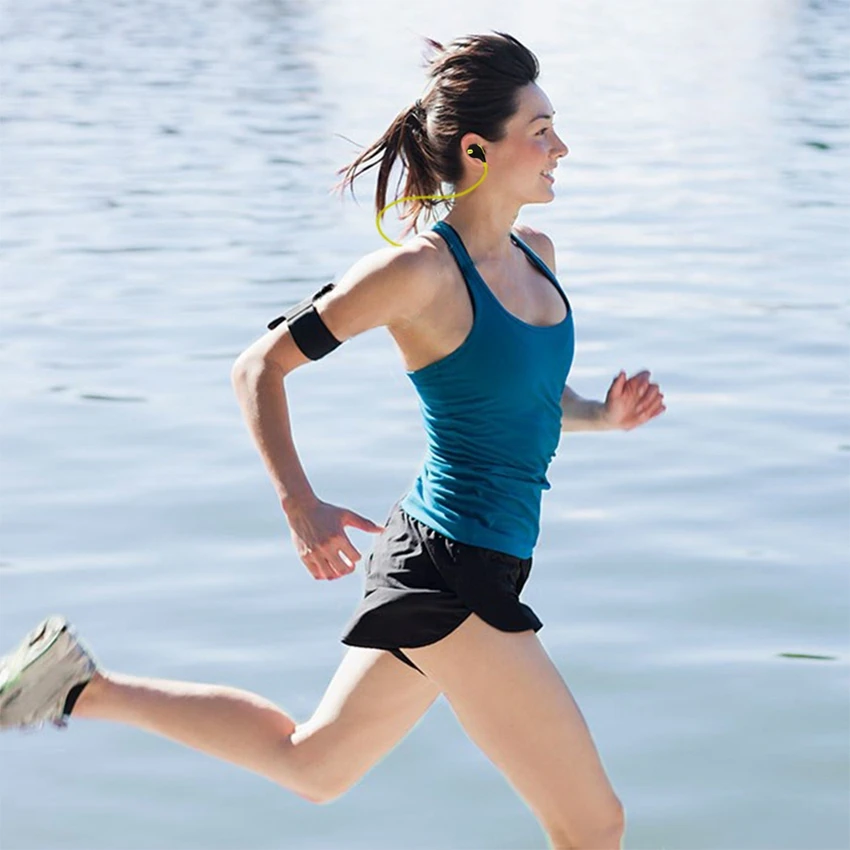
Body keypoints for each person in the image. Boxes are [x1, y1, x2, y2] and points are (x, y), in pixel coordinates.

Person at [0, 31, 665, 850]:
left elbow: (523, 400)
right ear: (476, 149)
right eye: (541, 130)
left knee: (313, 765)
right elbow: (259, 367)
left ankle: (76, 687)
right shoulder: (417, 274)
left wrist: (602, 414)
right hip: (452, 572)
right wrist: (300, 504)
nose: (561, 147)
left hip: (471, 556)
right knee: (594, 826)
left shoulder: (539, 256)